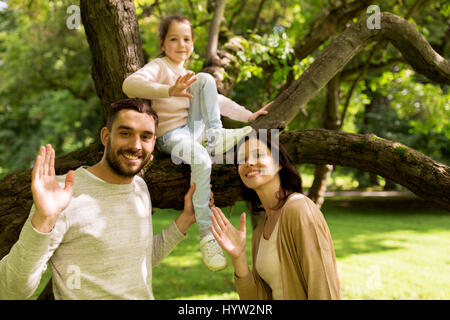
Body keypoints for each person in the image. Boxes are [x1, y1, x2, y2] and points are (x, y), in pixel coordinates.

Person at [0, 98, 198, 300]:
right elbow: (10, 291)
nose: (135, 145)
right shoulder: (62, 195)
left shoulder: (139, 188)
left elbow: (140, 260)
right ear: (106, 136)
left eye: (145, 137)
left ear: (153, 143)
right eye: (125, 133)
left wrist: (186, 219)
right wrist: (43, 220)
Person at [122, 15, 271, 272]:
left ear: (193, 43)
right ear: (162, 42)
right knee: (201, 159)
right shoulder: (160, 67)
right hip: (172, 136)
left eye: (187, 39)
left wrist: (249, 116)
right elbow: (129, 84)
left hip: (195, 131)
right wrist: (169, 90)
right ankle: (207, 236)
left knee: (206, 79)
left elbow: (219, 102)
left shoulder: (190, 74)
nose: (181, 44)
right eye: (174, 39)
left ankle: (216, 135)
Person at [209, 130, 341, 299]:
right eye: (242, 159)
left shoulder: (299, 208)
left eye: (258, 154)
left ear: (279, 164)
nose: (248, 162)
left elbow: (323, 285)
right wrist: (239, 256)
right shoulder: (260, 231)